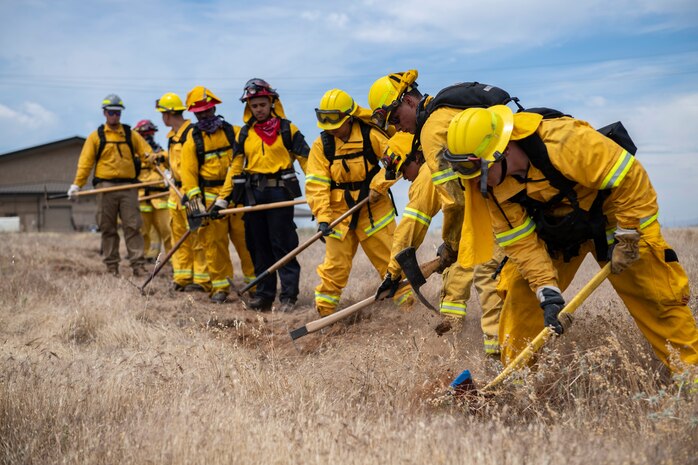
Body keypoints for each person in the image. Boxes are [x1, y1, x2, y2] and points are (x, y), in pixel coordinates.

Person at [444, 104, 698, 371]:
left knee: (656, 298)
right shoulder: (491, 187)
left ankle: (692, 379)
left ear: (503, 150)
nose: (473, 183)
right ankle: (517, 384)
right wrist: (547, 291)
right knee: (521, 298)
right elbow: (521, 242)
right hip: (560, 233)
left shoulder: (564, 140)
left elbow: (630, 178)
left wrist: (629, 236)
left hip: (615, 220)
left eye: (479, 172)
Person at [376, 132, 503, 354]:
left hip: (495, 228)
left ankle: (502, 353)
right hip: (474, 230)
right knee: (455, 276)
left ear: (416, 157)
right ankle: (455, 338)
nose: (403, 177)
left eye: (403, 170)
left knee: (492, 285)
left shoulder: (427, 175)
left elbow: (410, 226)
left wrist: (393, 273)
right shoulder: (440, 163)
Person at [215, 79, 308, 312]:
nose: (258, 109)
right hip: (252, 195)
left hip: (280, 193)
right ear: (249, 107)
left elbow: (309, 162)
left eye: (262, 104)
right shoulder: (245, 134)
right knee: (258, 246)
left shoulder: (288, 129)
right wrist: (222, 199)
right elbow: (235, 167)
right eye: (254, 105)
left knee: (283, 245)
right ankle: (264, 296)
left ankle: (288, 297)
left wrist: (318, 192)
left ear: (271, 103)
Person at [305, 89, 399, 317]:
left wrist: (378, 186)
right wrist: (324, 218)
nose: (331, 130)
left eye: (336, 124)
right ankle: (325, 315)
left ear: (349, 118)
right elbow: (316, 184)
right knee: (334, 270)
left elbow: (396, 160)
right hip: (339, 215)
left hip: (374, 209)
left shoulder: (370, 135)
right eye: (326, 124)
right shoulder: (322, 145)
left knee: (392, 265)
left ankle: (409, 312)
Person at [368, 70, 462, 273]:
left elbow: (440, 207)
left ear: (409, 102)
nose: (398, 128)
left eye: (396, 119)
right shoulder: (441, 115)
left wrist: (452, 247)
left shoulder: (432, 134)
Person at [68, 93, 151, 277]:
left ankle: (138, 265)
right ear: (105, 113)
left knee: (133, 226)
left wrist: (159, 164)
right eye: (111, 112)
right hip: (105, 187)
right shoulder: (95, 137)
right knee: (108, 227)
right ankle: (112, 267)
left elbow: (147, 153)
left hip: (128, 187)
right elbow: (85, 163)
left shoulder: (131, 134)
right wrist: (77, 185)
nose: (115, 116)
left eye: (118, 113)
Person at [180, 86, 246, 303]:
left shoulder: (233, 132)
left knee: (246, 241)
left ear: (214, 109)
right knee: (213, 245)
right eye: (200, 113)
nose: (204, 115)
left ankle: (255, 285)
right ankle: (220, 287)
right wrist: (195, 205)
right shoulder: (192, 140)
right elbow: (188, 174)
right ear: (194, 114)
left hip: (235, 197)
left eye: (207, 111)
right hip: (207, 198)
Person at [155, 92, 211, 292]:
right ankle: (182, 276)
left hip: (191, 192)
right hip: (174, 193)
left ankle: (202, 279)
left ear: (169, 114)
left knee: (197, 237)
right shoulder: (172, 137)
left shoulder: (192, 133)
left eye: (163, 113)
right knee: (178, 236)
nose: (162, 118)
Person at [133, 119, 172, 262]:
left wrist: (161, 158)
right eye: (144, 135)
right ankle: (143, 257)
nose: (147, 138)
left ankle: (173, 259)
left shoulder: (162, 154)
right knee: (143, 231)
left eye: (149, 134)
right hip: (142, 197)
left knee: (167, 230)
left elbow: (172, 165)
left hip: (160, 197)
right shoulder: (135, 157)